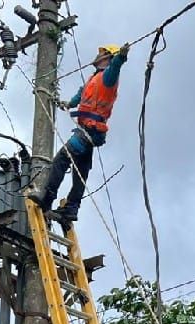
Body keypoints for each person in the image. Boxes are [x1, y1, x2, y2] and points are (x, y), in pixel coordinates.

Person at [28, 43, 129, 226]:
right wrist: (68, 103)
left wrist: (121, 57)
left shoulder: (108, 77)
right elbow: (80, 95)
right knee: (80, 171)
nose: (97, 56)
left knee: (61, 159)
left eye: (101, 54)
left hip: (89, 131)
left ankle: (47, 198)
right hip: (90, 132)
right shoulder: (93, 79)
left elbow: (115, 68)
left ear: (107, 57)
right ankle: (71, 209)